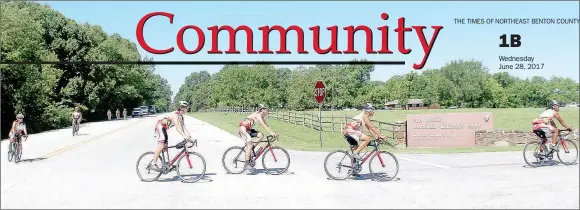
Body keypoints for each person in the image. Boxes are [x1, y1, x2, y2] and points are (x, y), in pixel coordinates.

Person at [148, 101, 193, 171]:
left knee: (166, 146)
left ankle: (167, 163)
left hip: (165, 129)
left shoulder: (181, 117)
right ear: (181, 108)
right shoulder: (175, 115)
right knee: (161, 145)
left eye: (187, 108)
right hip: (160, 126)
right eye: (186, 108)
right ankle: (153, 163)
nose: (187, 109)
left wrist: (189, 137)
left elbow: (183, 127)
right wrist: (185, 136)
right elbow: (178, 128)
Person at [238, 104, 277, 171]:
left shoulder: (261, 116)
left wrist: (273, 133)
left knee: (261, 135)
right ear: (262, 110)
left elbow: (266, 125)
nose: (267, 112)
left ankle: (252, 149)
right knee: (249, 144)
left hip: (248, 130)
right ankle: (246, 164)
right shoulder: (258, 115)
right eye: (266, 110)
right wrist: (271, 133)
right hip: (243, 129)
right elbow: (263, 125)